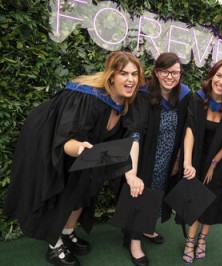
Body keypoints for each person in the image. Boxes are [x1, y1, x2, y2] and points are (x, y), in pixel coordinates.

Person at [4, 51, 146, 266]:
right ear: (111, 76)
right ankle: (54, 245)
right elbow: (66, 141)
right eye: (123, 73)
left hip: (88, 153)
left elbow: (132, 137)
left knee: (84, 192)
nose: (130, 79)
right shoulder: (88, 98)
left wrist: (132, 174)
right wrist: (80, 148)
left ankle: (68, 232)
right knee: (63, 192)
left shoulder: (129, 101)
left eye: (135, 74)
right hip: (53, 142)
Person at [122, 52, 192, 266]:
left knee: (158, 193)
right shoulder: (143, 94)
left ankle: (146, 228)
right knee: (141, 195)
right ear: (156, 72)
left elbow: (189, 127)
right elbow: (135, 129)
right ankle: (134, 242)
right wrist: (132, 169)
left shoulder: (184, 95)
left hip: (168, 157)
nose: (171, 77)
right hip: (146, 156)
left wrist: (181, 158)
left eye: (176, 73)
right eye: (165, 72)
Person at [182, 59, 222, 264]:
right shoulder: (198, 98)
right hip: (197, 157)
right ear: (211, 76)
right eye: (219, 75)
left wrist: (214, 164)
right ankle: (190, 241)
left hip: (219, 162)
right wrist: (187, 162)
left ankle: (202, 239)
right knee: (195, 199)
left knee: (211, 201)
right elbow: (190, 129)